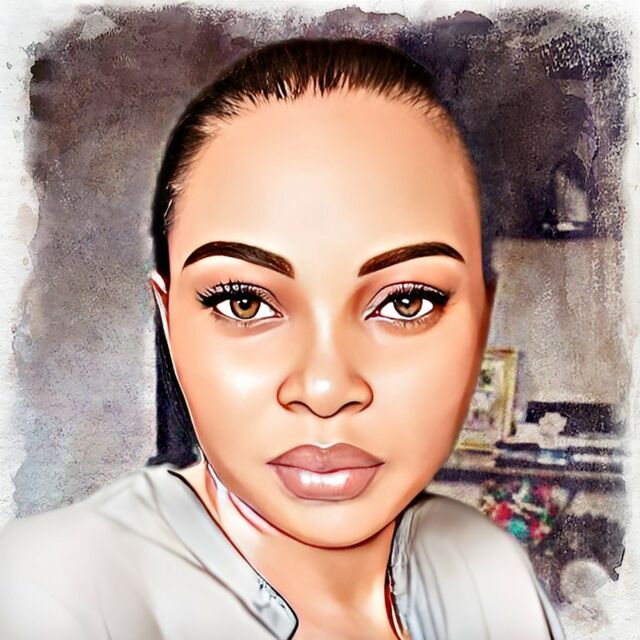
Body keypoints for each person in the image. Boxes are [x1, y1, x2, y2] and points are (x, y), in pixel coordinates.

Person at [0, 37, 564, 639]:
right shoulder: (50, 597)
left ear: (482, 319)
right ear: (169, 322)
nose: (325, 389)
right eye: (244, 302)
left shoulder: (487, 569)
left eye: (406, 302)